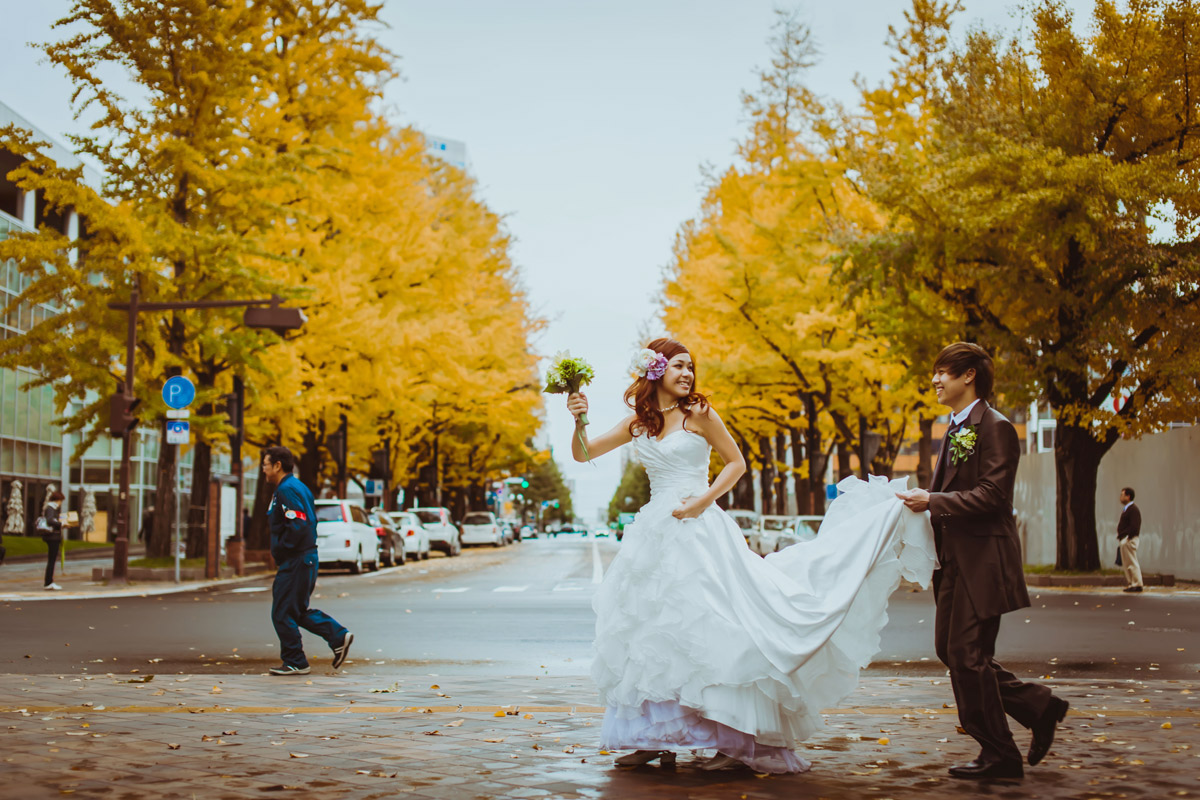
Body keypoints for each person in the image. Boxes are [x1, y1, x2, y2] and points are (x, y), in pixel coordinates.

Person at [565, 338, 937, 773]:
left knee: (717, 628)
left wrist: (702, 501)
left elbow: (735, 464)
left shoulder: (700, 414)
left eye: (691, 367)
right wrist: (579, 420)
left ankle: (734, 741)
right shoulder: (638, 424)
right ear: (656, 372)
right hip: (653, 534)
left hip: (699, 529)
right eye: (679, 366)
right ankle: (651, 737)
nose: (687, 374)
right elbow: (584, 452)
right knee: (651, 633)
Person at [898, 343, 1069, 779]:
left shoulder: (995, 427)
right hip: (953, 562)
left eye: (943, 372)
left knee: (967, 654)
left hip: (983, 561)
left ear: (969, 375)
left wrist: (932, 500)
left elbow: (994, 496)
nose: (935, 380)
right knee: (952, 650)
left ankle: (1000, 755)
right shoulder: (955, 428)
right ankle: (1038, 706)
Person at [262, 445, 354, 676]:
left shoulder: (287, 490)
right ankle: (337, 636)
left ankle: (296, 661)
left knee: (282, 611)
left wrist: (282, 551)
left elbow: (299, 525)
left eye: (265, 465)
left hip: (296, 559)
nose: (263, 470)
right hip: (303, 559)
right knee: (295, 610)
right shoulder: (297, 487)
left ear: (277, 465)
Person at [1117, 487, 1143, 593]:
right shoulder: (1127, 509)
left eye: (1122, 495)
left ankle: (1137, 583)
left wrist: (1128, 537)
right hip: (1126, 539)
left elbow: (1135, 526)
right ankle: (1132, 583)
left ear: (1128, 496)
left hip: (1129, 539)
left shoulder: (1133, 509)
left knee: (1131, 562)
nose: (1121, 497)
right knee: (1127, 563)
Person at [42, 490, 65, 591]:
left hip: (53, 537)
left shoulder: (51, 508)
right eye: (60, 501)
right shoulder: (51, 508)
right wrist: (61, 524)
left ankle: (49, 581)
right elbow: (50, 520)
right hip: (53, 537)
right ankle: (48, 582)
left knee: (52, 560)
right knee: (52, 560)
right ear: (57, 500)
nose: (61, 503)